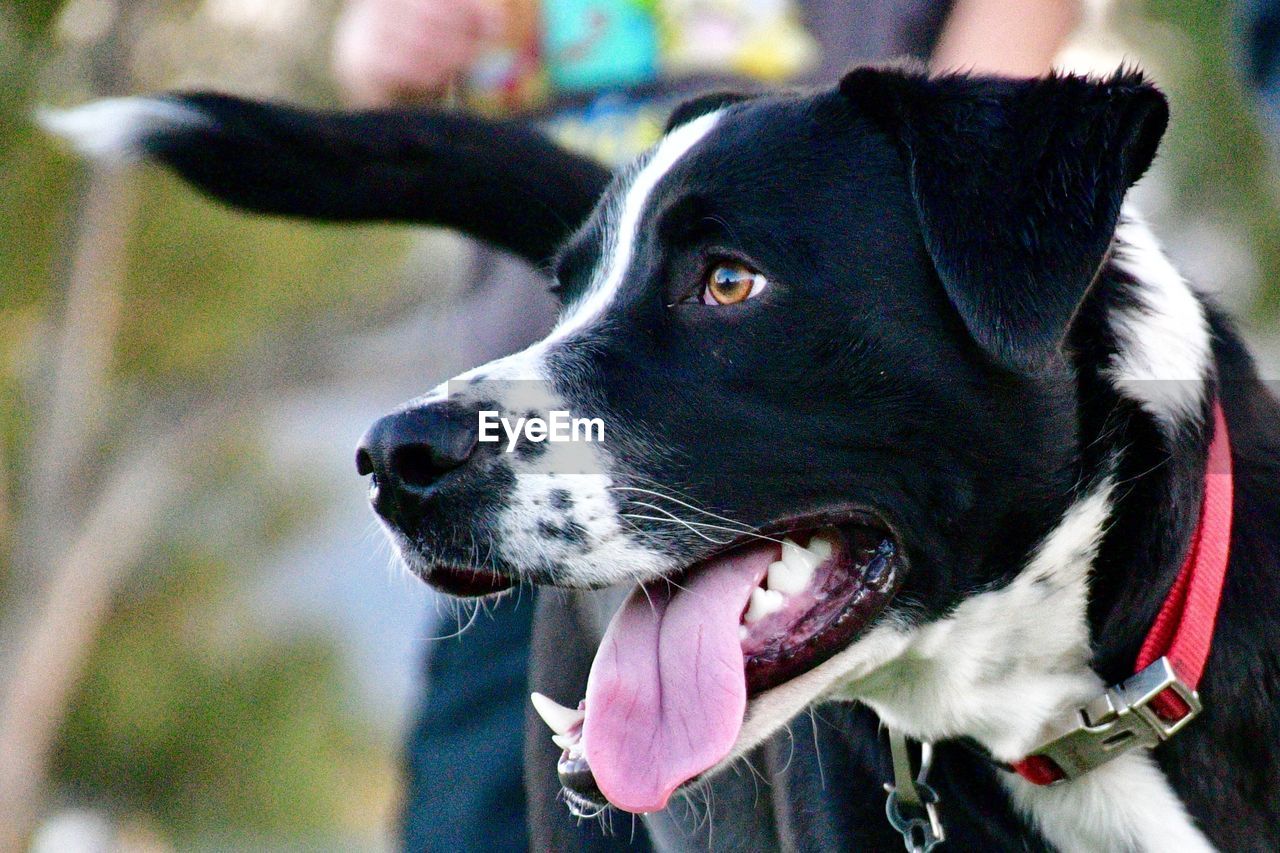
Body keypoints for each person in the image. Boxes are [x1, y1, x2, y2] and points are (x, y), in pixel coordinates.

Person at [330, 1, 1082, 849]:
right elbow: (383, 40)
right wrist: (376, 46)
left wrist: (964, 166)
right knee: (472, 821)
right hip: (536, 423)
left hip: (830, 423)